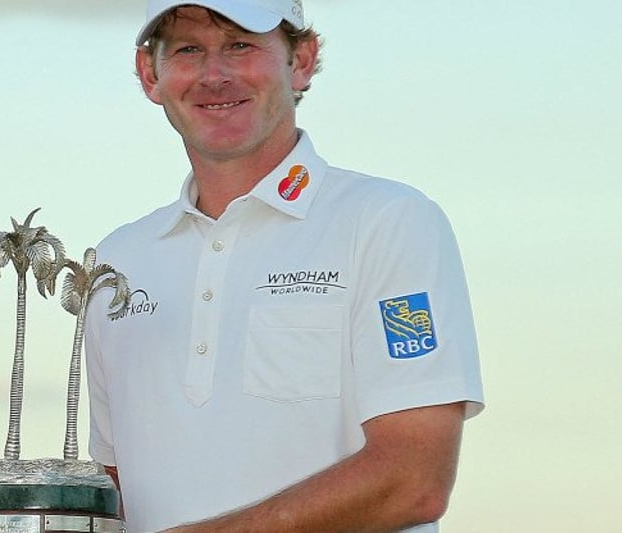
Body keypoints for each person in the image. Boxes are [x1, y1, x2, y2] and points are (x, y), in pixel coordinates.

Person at [84, 1, 485, 531]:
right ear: (149, 73)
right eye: (187, 50)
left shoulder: (388, 221)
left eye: (241, 45)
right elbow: (113, 489)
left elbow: (414, 480)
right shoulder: (118, 260)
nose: (214, 74)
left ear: (301, 60)